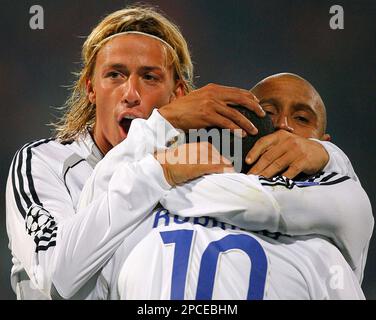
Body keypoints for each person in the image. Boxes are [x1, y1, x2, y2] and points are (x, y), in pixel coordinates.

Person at [5, 5, 361, 300]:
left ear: (178, 93)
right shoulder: (46, 163)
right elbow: (54, 277)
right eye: (115, 75)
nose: (131, 92)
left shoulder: (195, 171)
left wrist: (327, 156)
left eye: (150, 77)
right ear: (91, 89)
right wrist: (161, 142)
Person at [78, 104, 371, 300]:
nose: (284, 128)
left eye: (302, 119)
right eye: (267, 114)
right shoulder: (320, 254)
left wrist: (159, 177)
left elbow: (265, 203)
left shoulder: (138, 224)